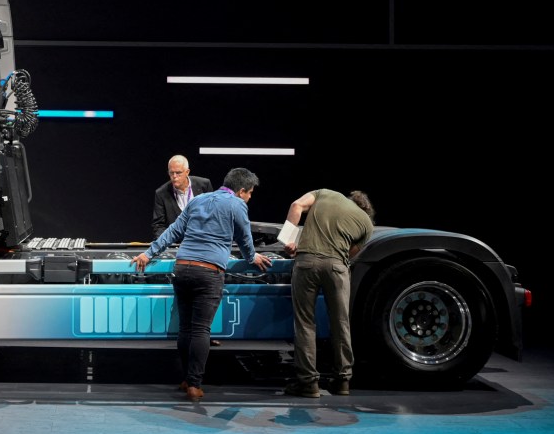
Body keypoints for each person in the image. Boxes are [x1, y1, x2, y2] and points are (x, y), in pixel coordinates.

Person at [133, 168, 273, 401]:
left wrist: (149, 253)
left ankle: (187, 379)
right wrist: (252, 257)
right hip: (208, 271)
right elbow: (245, 238)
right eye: (249, 193)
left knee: (185, 328)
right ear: (241, 191)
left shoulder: (198, 200)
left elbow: (173, 231)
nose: (249, 198)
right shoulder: (237, 205)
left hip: (182, 268)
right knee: (200, 329)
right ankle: (194, 385)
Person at [282, 189, 375, 399]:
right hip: (337, 269)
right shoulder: (367, 224)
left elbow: (296, 205)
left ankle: (308, 383)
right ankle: (342, 381)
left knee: (305, 323)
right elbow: (350, 254)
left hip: (307, 263)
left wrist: (288, 241)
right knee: (341, 323)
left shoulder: (324, 194)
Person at [152, 155, 213, 240]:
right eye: (171, 173)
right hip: (176, 243)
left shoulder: (204, 185)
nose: (174, 176)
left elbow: (212, 215)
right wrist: (166, 242)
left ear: (187, 172)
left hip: (202, 240)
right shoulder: (161, 193)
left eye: (178, 173)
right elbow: (158, 225)